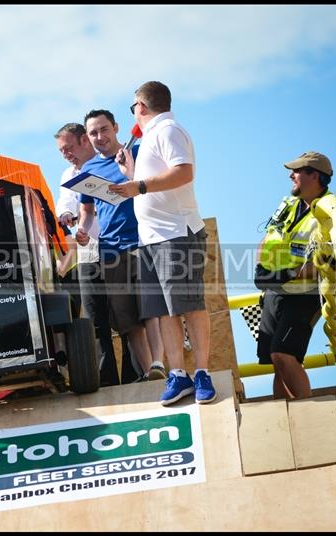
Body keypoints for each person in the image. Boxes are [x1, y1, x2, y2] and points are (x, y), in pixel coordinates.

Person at [109, 81, 215, 405]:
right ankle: (178, 374)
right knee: (165, 310)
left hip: (176, 234)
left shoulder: (168, 129)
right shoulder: (152, 137)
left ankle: (202, 372)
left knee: (190, 306)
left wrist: (138, 186)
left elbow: (183, 173)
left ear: (140, 106)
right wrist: (131, 172)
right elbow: (156, 181)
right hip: (152, 238)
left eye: (133, 108)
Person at [75, 110, 166, 384]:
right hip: (111, 250)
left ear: (115, 128)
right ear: (88, 138)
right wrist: (82, 229)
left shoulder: (138, 151)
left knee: (151, 308)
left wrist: (132, 171)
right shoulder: (88, 171)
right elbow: (88, 211)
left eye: (104, 129)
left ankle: (160, 362)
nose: (100, 137)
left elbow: (161, 187)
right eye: (93, 133)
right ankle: (151, 371)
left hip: (144, 241)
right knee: (128, 319)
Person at [253, 151, 336, 399]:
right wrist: (262, 269)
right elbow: (269, 236)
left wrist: (289, 274)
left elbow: (328, 260)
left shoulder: (332, 210)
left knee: (284, 355)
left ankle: (309, 414)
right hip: (275, 289)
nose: (291, 175)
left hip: (304, 293)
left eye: (297, 171)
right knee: (276, 361)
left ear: (315, 176)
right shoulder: (289, 203)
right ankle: (284, 416)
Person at [55, 122, 132, 386]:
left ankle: (136, 377)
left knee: (127, 318)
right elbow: (66, 204)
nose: (66, 154)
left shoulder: (110, 165)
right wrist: (67, 215)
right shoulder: (68, 175)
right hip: (88, 255)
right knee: (94, 321)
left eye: (69, 148)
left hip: (117, 250)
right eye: (62, 151)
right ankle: (107, 381)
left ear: (85, 141)